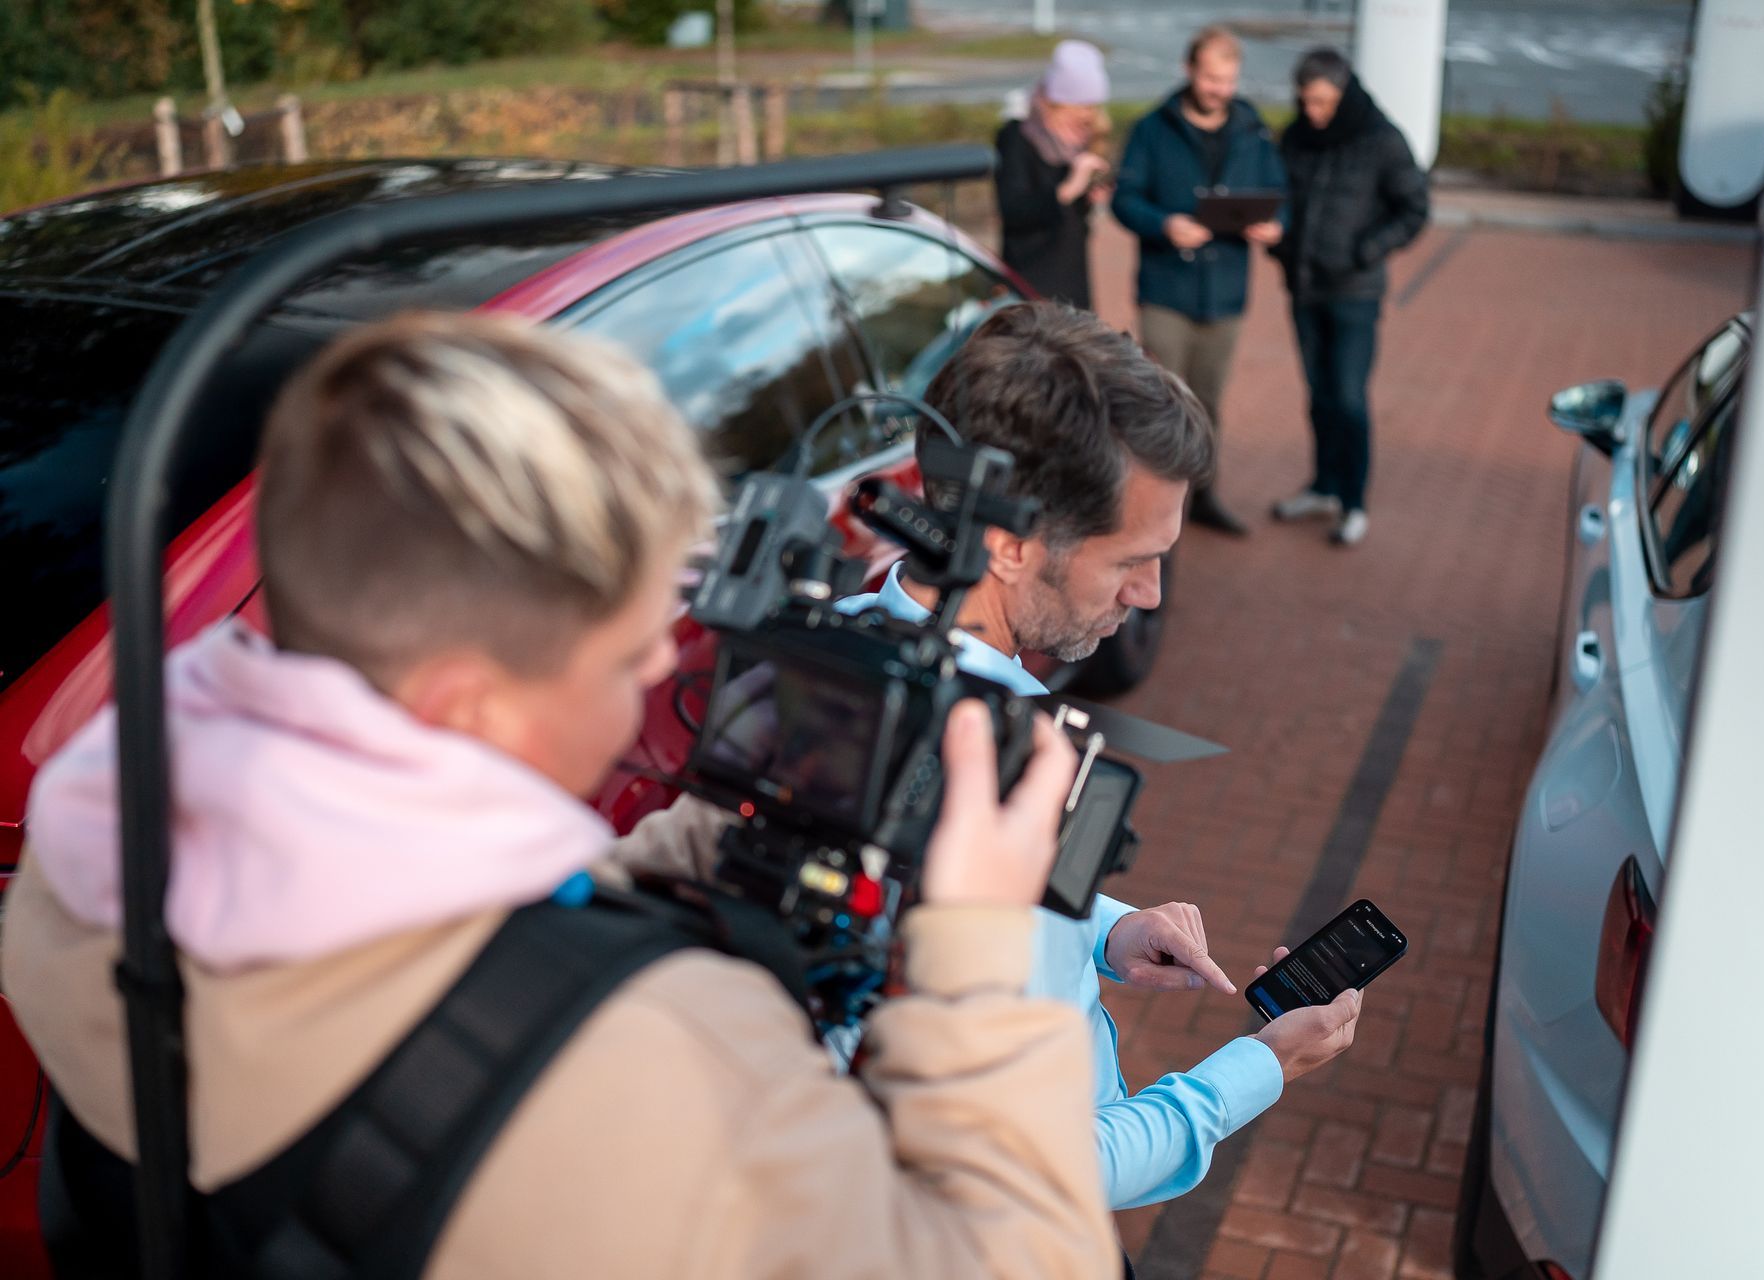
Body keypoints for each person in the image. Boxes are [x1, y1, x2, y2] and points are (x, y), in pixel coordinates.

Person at [0, 313, 1123, 1277]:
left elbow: (423, 958)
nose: (652, 672)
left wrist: (677, 849)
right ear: (468, 700)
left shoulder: (99, 837)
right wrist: (975, 963)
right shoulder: (664, 1053)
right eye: (625, 646)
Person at [838, 302, 1365, 1222]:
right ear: (1008, 545)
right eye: (1134, 558)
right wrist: (1261, 1066)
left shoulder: (832, 643)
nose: (1151, 595)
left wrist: (1105, 930)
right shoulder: (1018, 776)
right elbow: (1050, 1168)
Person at [1112, 26, 1287, 537]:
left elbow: (1280, 192)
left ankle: (1203, 497)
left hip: (1227, 292)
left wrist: (1278, 225)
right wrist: (1163, 224)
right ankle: (1148, 506)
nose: (1220, 90)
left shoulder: (1253, 128)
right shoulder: (1151, 129)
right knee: (1161, 402)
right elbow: (1126, 199)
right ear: (1190, 71)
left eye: (1228, 80)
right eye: (1211, 78)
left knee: (1209, 404)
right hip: (1166, 289)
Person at [1269, 47, 1430, 547]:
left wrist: (1367, 250)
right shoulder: (1296, 138)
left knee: (1348, 397)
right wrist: (1280, 243)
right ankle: (1322, 487)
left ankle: (1354, 501)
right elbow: (1281, 197)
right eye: (1305, 101)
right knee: (1317, 396)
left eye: (1322, 102)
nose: (1313, 112)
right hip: (1304, 286)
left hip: (1355, 292)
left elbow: (1414, 209)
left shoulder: (1381, 140)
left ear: (1343, 94)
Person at [995, 39, 1112, 310]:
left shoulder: (1079, 138)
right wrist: (1068, 189)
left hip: (1073, 278)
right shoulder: (1018, 137)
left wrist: (1090, 198)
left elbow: (1075, 222)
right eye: (1080, 106)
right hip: (1031, 279)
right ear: (1056, 102)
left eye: (1092, 107)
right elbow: (1013, 210)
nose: (1087, 116)